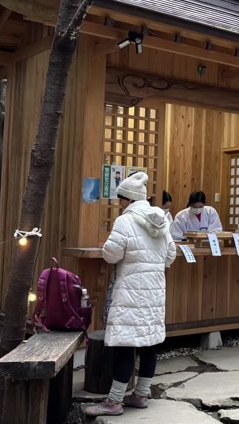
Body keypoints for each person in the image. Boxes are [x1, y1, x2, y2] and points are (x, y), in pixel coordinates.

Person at [85, 171, 176, 417]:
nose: (120, 204)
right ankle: (141, 395)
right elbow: (170, 255)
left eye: (121, 199)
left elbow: (111, 254)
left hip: (130, 291)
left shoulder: (125, 221)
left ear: (127, 200)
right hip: (155, 290)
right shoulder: (162, 220)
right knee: (148, 345)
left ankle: (114, 402)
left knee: (125, 345)